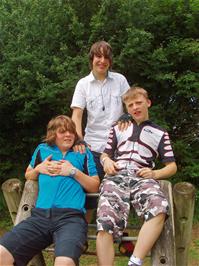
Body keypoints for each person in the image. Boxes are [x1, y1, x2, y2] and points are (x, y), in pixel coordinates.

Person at [0, 115, 99, 266]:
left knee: (64, 263)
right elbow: (29, 174)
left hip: (71, 218)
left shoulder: (83, 153)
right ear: (53, 134)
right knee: (1, 254)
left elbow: (94, 185)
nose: (68, 135)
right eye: (62, 132)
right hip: (40, 217)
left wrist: (73, 172)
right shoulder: (42, 150)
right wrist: (39, 169)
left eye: (71, 131)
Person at [96, 87, 177, 266]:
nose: (135, 107)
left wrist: (155, 173)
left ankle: (135, 261)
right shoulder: (118, 128)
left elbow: (172, 167)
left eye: (138, 102)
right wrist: (106, 162)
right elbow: (105, 154)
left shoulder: (161, 133)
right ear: (127, 109)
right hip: (116, 176)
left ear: (148, 103)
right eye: (130, 105)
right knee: (105, 222)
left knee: (160, 208)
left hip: (144, 177)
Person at [71, 40, 130, 181]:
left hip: (121, 145)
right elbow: (77, 116)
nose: (102, 61)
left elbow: (131, 102)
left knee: (122, 186)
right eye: (98, 56)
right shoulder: (82, 84)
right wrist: (78, 140)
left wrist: (127, 115)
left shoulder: (120, 80)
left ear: (110, 61)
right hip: (93, 147)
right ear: (92, 59)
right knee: (94, 188)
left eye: (106, 57)